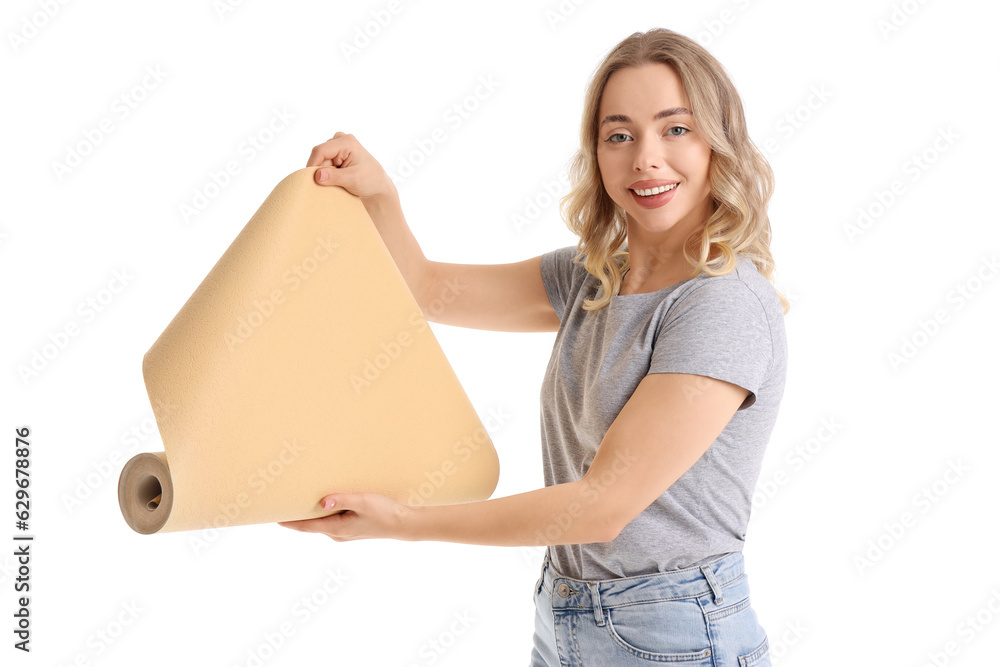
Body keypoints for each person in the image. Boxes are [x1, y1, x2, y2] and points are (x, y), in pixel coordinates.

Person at [278, 27, 787, 667]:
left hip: (672, 627)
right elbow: (427, 290)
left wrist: (404, 521)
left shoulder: (722, 304)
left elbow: (602, 507)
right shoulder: (593, 276)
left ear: (719, 143)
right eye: (619, 135)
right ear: (597, 155)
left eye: (676, 129)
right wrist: (380, 194)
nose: (646, 159)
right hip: (567, 609)